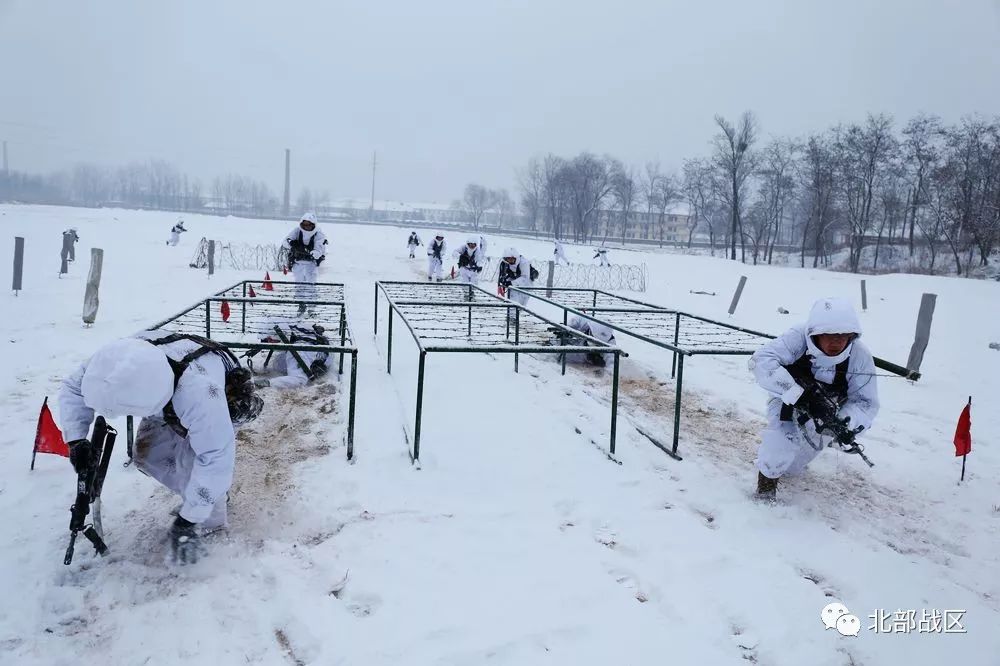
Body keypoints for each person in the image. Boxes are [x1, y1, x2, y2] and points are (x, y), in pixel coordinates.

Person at [59, 331, 263, 564]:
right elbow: (73, 389)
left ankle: (211, 525)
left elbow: (216, 456)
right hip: (165, 391)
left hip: (222, 385)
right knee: (146, 456)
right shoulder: (109, 363)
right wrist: (76, 441)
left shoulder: (200, 394)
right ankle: (200, 497)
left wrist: (189, 520)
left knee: (193, 463)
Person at [749, 297, 879, 501]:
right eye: (829, 335)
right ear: (815, 334)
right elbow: (761, 361)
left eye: (842, 336)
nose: (836, 341)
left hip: (830, 408)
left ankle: (787, 465)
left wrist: (846, 423)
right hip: (787, 397)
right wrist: (800, 394)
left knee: (793, 467)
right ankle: (765, 494)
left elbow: (865, 402)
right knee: (781, 442)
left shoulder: (859, 356)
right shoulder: (797, 337)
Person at [250, 324, 331, 389]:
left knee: (279, 365)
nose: (270, 343)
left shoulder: (298, 350)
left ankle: (306, 369)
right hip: (320, 347)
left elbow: (299, 380)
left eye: (271, 341)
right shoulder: (291, 328)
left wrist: (267, 383)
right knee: (278, 362)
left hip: (320, 361)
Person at [283, 213, 327, 310]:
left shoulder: (318, 234)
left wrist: (307, 251)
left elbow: (318, 252)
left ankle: (311, 307)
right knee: (299, 286)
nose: (306, 227)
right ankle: (301, 305)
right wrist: (292, 243)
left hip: (311, 265)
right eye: (304, 224)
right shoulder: (297, 231)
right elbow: (285, 242)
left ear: (313, 224)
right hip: (298, 263)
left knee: (310, 286)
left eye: (309, 224)